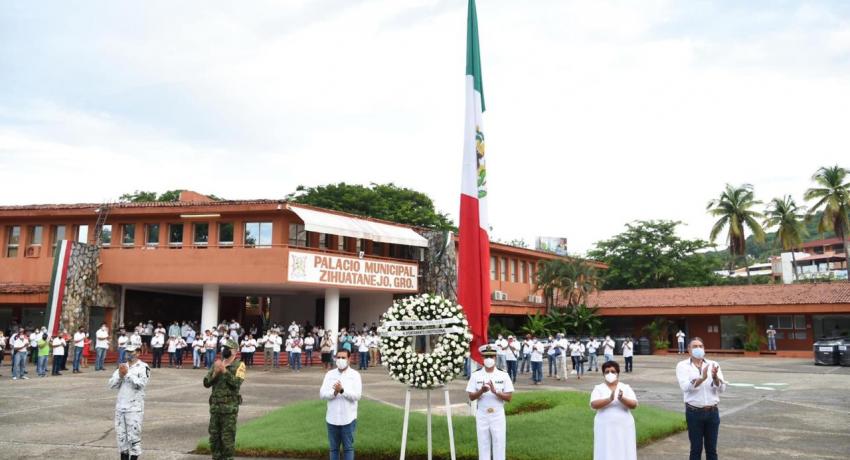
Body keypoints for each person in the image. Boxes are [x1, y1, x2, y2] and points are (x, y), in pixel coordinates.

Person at [676, 338, 727, 460]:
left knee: (712, 450)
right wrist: (702, 378)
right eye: (695, 346)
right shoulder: (682, 366)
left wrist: (715, 378)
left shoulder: (713, 364)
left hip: (712, 413)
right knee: (696, 449)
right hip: (694, 413)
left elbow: (722, 388)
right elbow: (686, 387)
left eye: (700, 346)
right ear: (689, 350)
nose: (698, 348)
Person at [467, 345, 514, 460]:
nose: (489, 359)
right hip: (482, 414)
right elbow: (471, 397)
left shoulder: (503, 375)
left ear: (495, 357)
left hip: (497, 414)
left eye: (491, 356)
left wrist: (496, 392)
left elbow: (509, 397)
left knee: (499, 443)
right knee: (483, 443)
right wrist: (481, 391)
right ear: (482, 358)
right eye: (486, 356)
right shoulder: (476, 374)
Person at [204, 338, 246, 460]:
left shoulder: (239, 365)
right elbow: (206, 383)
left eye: (227, 348)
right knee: (214, 439)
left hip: (229, 409)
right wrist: (215, 373)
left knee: (227, 440)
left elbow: (237, 383)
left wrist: (224, 371)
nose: (224, 350)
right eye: (224, 348)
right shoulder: (217, 363)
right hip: (215, 408)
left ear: (234, 351)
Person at [590, 361, 638, 460]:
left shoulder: (625, 387)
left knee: (624, 449)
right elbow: (594, 404)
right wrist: (609, 399)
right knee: (605, 449)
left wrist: (622, 399)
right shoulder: (598, 388)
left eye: (613, 371)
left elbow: (634, 405)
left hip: (624, 426)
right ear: (603, 374)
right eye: (607, 372)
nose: (610, 374)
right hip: (604, 426)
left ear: (618, 373)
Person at [109, 344, 149, 460]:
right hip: (121, 406)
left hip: (134, 408)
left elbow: (141, 384)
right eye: (127, 351)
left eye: (131, 352)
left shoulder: (143, 367)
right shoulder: (122, 366)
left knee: (133, 437)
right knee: (121, 437)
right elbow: (111, 385)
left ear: (138, 353)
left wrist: (127, 374)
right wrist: (120, 376)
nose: (128, 354)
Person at [320, 349, 362, 460]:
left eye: (343, 358)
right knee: (333, 449)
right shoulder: (330, 374)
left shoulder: (355, 375)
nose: (340, 360)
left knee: (348, 448)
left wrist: (342, 391)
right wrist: (334, 393)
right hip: (332, 418)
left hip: (348, 418)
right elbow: (322, 394)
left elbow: (357, 396)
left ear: (349, 359)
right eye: (338, 357)